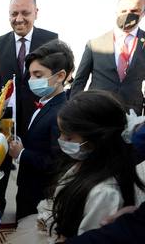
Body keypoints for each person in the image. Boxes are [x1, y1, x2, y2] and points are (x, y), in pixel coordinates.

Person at [8, 90, 145, 244]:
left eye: (68, 137)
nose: (61, 140)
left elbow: (90, 238)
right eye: (60, 133)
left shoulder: (104, 193)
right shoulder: (82, 162)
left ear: (96, 139)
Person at [0, 0, 58, 219]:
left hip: (39, 119)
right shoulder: (0, 42)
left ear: (36, 12)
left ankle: (28, 213)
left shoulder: (51, 39)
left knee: (32, 168)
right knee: (2, 167)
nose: (19, 19)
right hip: (6, 122)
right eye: (13, 13)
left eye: (25, 12)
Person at [8, 39, 73, 221]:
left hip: (40, 193)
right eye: (30, 75)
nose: (31, 81)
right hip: (27, 185)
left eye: (38, 75)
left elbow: (57, 163)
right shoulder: (44, 103)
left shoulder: (61, 114)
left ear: (60, 76)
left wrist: (21, 154)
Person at [71, 0, 145, 115]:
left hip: (131, 115)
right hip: (96, 111)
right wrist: (74, 110)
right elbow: (79, 81)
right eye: (123, 11)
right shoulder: (94, 44)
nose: (128, 14)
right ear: (116, 12)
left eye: (134, 11)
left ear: (143, 13)